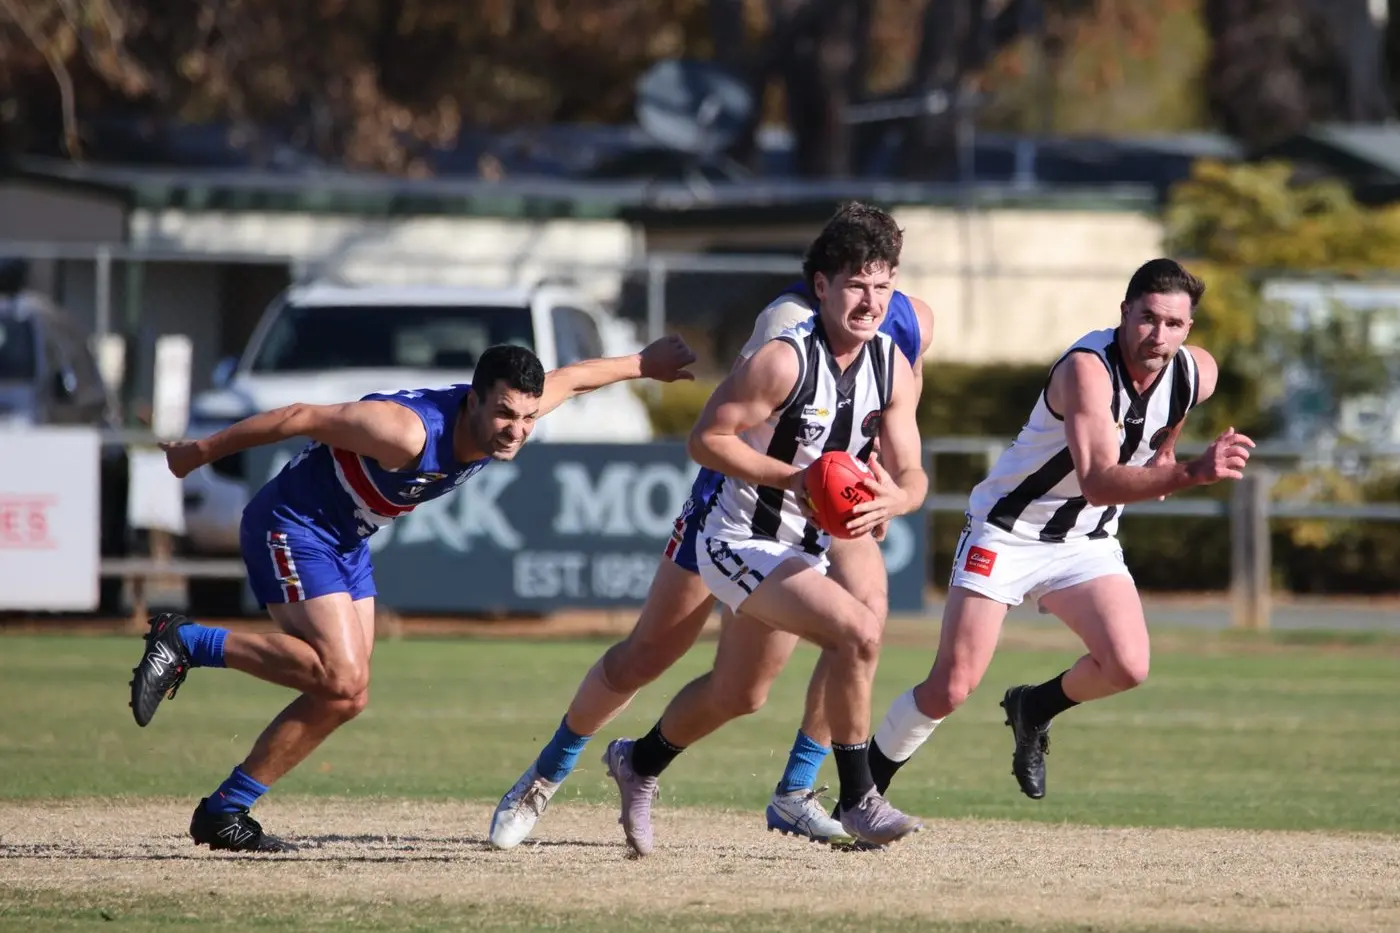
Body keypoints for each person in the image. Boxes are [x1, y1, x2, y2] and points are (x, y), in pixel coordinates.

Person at [126, 336, 697, 853]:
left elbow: (573, 377)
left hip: (346, 539)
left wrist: (646, 364)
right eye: (503, 413)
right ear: (473, 400)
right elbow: (299, 417)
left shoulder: (515, 410)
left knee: (347, 696)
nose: (516, 429)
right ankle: (188, 640)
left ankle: (226, 810)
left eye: (526, 417)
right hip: (292, 525)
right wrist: (199, 453)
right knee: (340, 677)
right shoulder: (405, 431)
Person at [489, 206, 933, 851]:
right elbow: (708, 439)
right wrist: (798, 481)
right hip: (734, 531)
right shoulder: (785, 347)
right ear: (822, 285)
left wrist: (894, 500)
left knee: (742, 693)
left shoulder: (894, 356)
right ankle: (544, 777)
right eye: (858, 284)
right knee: (668, 652)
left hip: (799, 541)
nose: (872, 300)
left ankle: (639, 762)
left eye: (883, 284)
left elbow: (913, 471)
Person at [866, 257, 1254, 804]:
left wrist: (1166, 449)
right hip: (1007, 530)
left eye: (1173, 324)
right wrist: (1190, 470)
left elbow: (1178, 406)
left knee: (1127, 666)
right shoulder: (1086, 370)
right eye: (1147, 318)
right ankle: (861, 796)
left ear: (1189, 329)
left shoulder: (1197, 371)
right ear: (1124, 312)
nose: (1157, 335)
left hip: (1085, 540)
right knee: (951, 686)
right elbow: (1097, 480)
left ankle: (1034, 707)